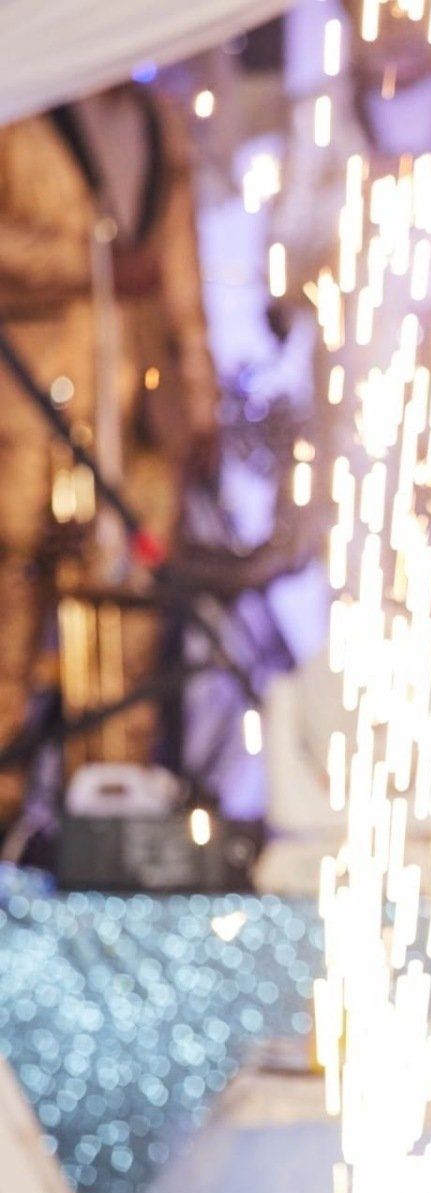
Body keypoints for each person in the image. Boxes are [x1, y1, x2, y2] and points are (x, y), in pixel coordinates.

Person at [0, 80, 220, 822]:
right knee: (12, 601)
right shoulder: (20, 106)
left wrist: (198, 399)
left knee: (127, 611)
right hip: (30, 407)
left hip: (140, 412)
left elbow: (181, 271)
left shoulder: (160, 120)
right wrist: (86, 262)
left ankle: (109, 823)